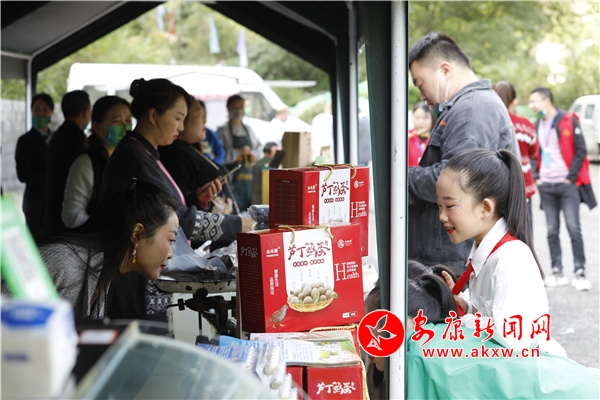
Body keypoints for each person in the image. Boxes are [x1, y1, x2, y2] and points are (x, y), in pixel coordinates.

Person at [104, 78, 253, 320]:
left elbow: (166, 207)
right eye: (178, 118)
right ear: (154, 115)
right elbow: (176, 220)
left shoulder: (145, 152)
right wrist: (238, 225)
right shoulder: (135, 157)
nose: (181, 127)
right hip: (135, 279)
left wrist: (196, 198)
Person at [407, 31, 518, 277]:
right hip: (453, 252)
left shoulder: (471, 111)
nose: (422, 96)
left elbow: (457, 182)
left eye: (420, 83)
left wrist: (406, 178)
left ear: (444, 70)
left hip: (452, 257)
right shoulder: (470, 106)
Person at [436, 148, 562, 352]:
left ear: (485, 208)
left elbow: (510, 336)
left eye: (449, 206)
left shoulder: (509, 259)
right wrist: (464, 304)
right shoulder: (487, 253)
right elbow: (491, 311)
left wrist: (465, 320)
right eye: (439, 206)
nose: (442, 216)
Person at [39, 178, 179, 320]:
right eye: (171, 240)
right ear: (137, 234)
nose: (171, 254)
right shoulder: (62, 264)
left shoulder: (105, 273)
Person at [528, 87, 596, 291]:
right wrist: (537, 177)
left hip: (567, 186)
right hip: (546, 186)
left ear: (546, 101)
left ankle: (580, 272)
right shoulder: (536, 125)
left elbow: (581, 150)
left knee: (574, 228)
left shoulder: (568, 120)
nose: (531, 106)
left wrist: (570, 178)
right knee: (551, 230)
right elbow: (533, 154)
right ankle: (557, 271)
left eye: (534, 101)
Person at [159, 97, 240, 224]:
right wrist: (198, 198)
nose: (205, 121)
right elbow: (182, 208)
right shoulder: (174, 154)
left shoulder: (191, 147)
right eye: (199, 114)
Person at [62, 96, 132, 228]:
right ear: (97, 127)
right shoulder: (86, 163)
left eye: (128, 120)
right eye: (117, 121)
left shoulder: (130, 158)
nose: (124, 127)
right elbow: (72, 213)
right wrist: (102, 232)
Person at [44, 90, 91, 234]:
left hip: (53, 205)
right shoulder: (79, 139)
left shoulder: (58, 134)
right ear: (85, 112)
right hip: (66, 210)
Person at [493, 81, 539, 230]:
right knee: (523, 232)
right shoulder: (525, 125)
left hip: (496, 188)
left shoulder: (490, 123)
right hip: (522, 186)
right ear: (515, 100)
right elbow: (533, 152)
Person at [15, 93, 55, 238]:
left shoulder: (57, 138)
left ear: (51, 112)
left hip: (55, 204)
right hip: (36, 206)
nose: (41, 114)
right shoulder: (25, 140)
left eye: (45, 110)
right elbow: (23, 175)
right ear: (31, 112)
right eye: (37, 110)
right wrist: (52, 173)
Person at [216, 94, 262, 211]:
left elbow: (259, 149)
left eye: (241, 106)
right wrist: (238, 152)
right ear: (228, 108)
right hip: (231, 183)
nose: (238, 110)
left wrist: (255, 155)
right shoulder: (222, 131)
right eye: (235, 106)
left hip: (249, 184)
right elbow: (218, 157)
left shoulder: (249, 129)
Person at [408, 102, 434, 167]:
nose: (421, 122)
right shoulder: (407, 136)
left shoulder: (435, 137)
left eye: (425, 118)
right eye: (417, 118)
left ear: (431, 118)